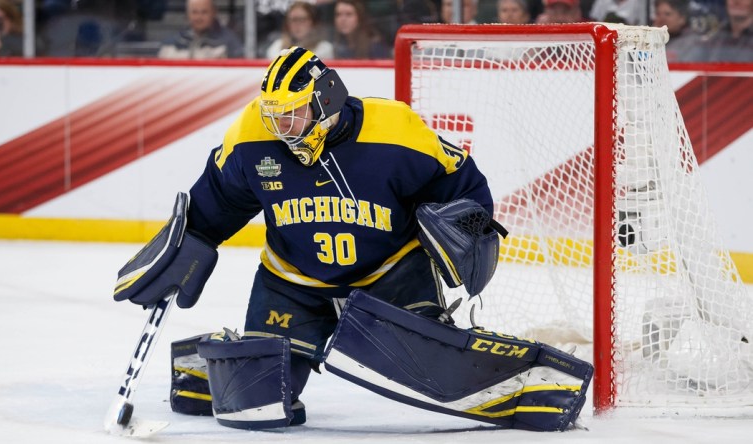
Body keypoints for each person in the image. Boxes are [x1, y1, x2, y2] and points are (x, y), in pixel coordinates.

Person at [112, 46, 591, 432]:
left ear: (325, 100)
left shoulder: (396, 131)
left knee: (429, 371)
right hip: (291, 281)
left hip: (391, 277)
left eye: (294, 116)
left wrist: (466, 232)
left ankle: (534, 380)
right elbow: (215, 203)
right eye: (274, 116)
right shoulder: (251, 138)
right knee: (252, 406)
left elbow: (465, 184)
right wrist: (186, 245)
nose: (282, 129)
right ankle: (204, 363)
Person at [158, 0, 244, 59]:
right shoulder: (172, 43)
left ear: (214, 13)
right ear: (187, 14)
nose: (199, 17)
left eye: (204, 12)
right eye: (194, 12)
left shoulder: (230, 41)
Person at [265, 2, 333, 59]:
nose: (297, 24)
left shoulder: (324, 49)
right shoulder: (276, 47)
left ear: (313, 23)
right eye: (294, 20)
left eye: (302, 19)